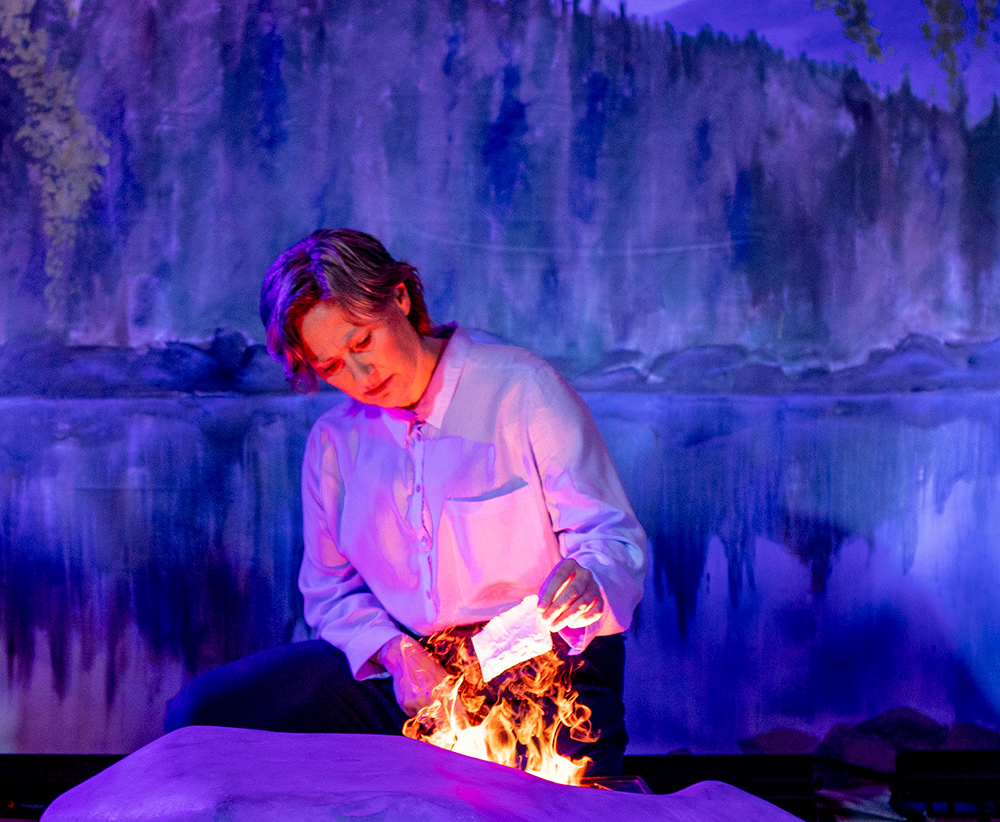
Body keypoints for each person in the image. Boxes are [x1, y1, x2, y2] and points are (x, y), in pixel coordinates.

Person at [164, 229, 649, 776]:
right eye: (331, 366)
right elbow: (330, 592)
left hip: (539, 666)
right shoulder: (334, 443)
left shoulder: (522, 388)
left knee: (528, 797)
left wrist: (590, 581)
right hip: (409, 673)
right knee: (201, 717)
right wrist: (395, 654)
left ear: (399, 297)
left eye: (362, 343)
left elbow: (610, 538)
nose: (360, 377)